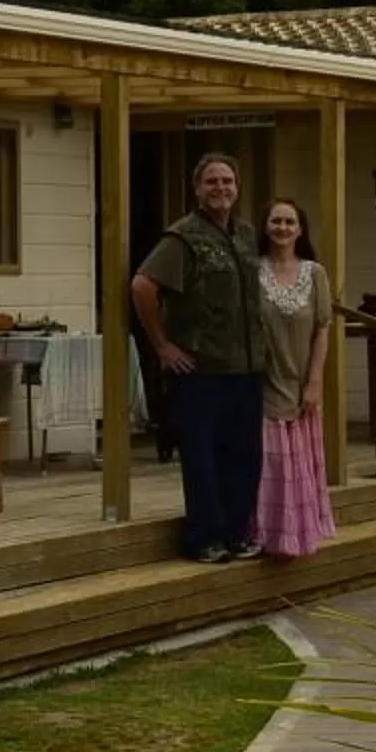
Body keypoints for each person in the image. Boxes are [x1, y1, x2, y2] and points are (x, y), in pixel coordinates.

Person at [130, 153, 266, 562]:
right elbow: (142, 286)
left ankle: (237, 533)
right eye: (212, 181)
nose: (220, 188)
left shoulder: (245, 235)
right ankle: (205, 538)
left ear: (237, 188)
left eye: (227, 181)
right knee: (203, 457)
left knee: (244, 456)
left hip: (246, 367)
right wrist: (162, 345)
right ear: (197, 189)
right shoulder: (182, 237)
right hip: (201, 369)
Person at [249, 198, 338, 560]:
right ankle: (264, 533)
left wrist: (315, 380)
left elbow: (322, 328)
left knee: (296, 462)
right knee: (270, 460)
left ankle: (297, 534)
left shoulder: (314, 273)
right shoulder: (253, 271)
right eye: (276, 221)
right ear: (266, 227)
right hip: (263, 380)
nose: (282, 228)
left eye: (289, 222)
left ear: (300, 229)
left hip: (300, 381)